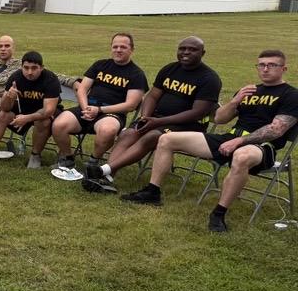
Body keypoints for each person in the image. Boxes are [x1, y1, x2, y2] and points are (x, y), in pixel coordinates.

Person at [123, 49, 298, 231]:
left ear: (283, 69)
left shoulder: (291, 95)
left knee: (241, 156)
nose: (265, 69)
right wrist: (235, 101)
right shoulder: (250, 91)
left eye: (272, 65)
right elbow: (220, 119)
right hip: (230, 137)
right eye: (261, 64)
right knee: (167, 139)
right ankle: (152, 192)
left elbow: (276, 129)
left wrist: (239, 142)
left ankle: (218, 214)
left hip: (262, 145)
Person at [83, 36, 221, 193]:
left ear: (202, 53)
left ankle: (103, 170)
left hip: (188, 126)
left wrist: (156, 122)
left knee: (152, 136)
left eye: (192, 49)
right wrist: (145, 117)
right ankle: (107, 178)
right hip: (156, 119)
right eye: (182, 48)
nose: (186, 52)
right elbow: (152, 96)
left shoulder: (209, 78)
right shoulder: (169, 69)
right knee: (128, 134)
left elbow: (197, 113)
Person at [50, 33, 148, 171]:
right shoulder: (100, 65)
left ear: (131, 49)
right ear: (111, 48)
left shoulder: (137, 74)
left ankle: (92, 161)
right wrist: (85, 108)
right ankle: (68, 158)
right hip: (88, 107)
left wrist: (99, 110)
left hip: (112, 113)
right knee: (58, 124)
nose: (118, 50)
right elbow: (82, 89)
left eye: (123, 47)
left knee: (107, 130)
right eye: (115, 46)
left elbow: (130, 105)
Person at [0, 51, 63, 169]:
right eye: (26, 68)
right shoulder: (16, 77)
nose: (29, 72)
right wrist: (8, 96)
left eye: (34, 68)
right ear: (21, 67)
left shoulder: (50, 79)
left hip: (45, 111)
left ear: (41, 67)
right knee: (3, 115)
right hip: (24, 107)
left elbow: (48, 110)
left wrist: (27, 118)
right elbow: (4, 107)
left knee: (43, 121)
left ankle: (35, 156)